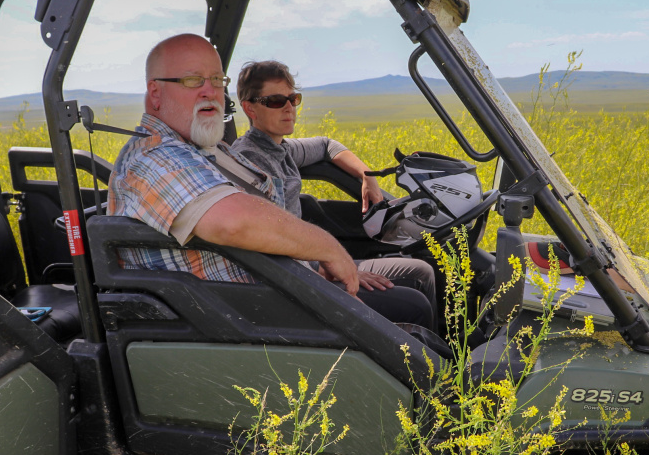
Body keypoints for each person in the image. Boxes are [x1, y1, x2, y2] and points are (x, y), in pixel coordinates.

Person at [106, 33, 433, 328]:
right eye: (192, 80)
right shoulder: (154, 157)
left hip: (262, 295)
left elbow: (322, 147)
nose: (209, 91)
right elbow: (234, 223)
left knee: (414, 307)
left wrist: (366, 177)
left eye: (217, 80)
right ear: (156, 92)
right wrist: (328, 251)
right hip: (243, 319)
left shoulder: (204, 149)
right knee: (414, 315)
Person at [230, 60, 437, 329]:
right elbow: (273, 241)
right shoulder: (251, 161)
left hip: (314, 267)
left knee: (421, 272)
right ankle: (429, 366)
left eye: (293, 99)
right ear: (250, 108)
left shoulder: (281, 148)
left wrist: (367, 175)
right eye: (276, 101)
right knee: (415, 305)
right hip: (299, 285)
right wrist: (331, 271)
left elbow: (328, 146)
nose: (289, 108)